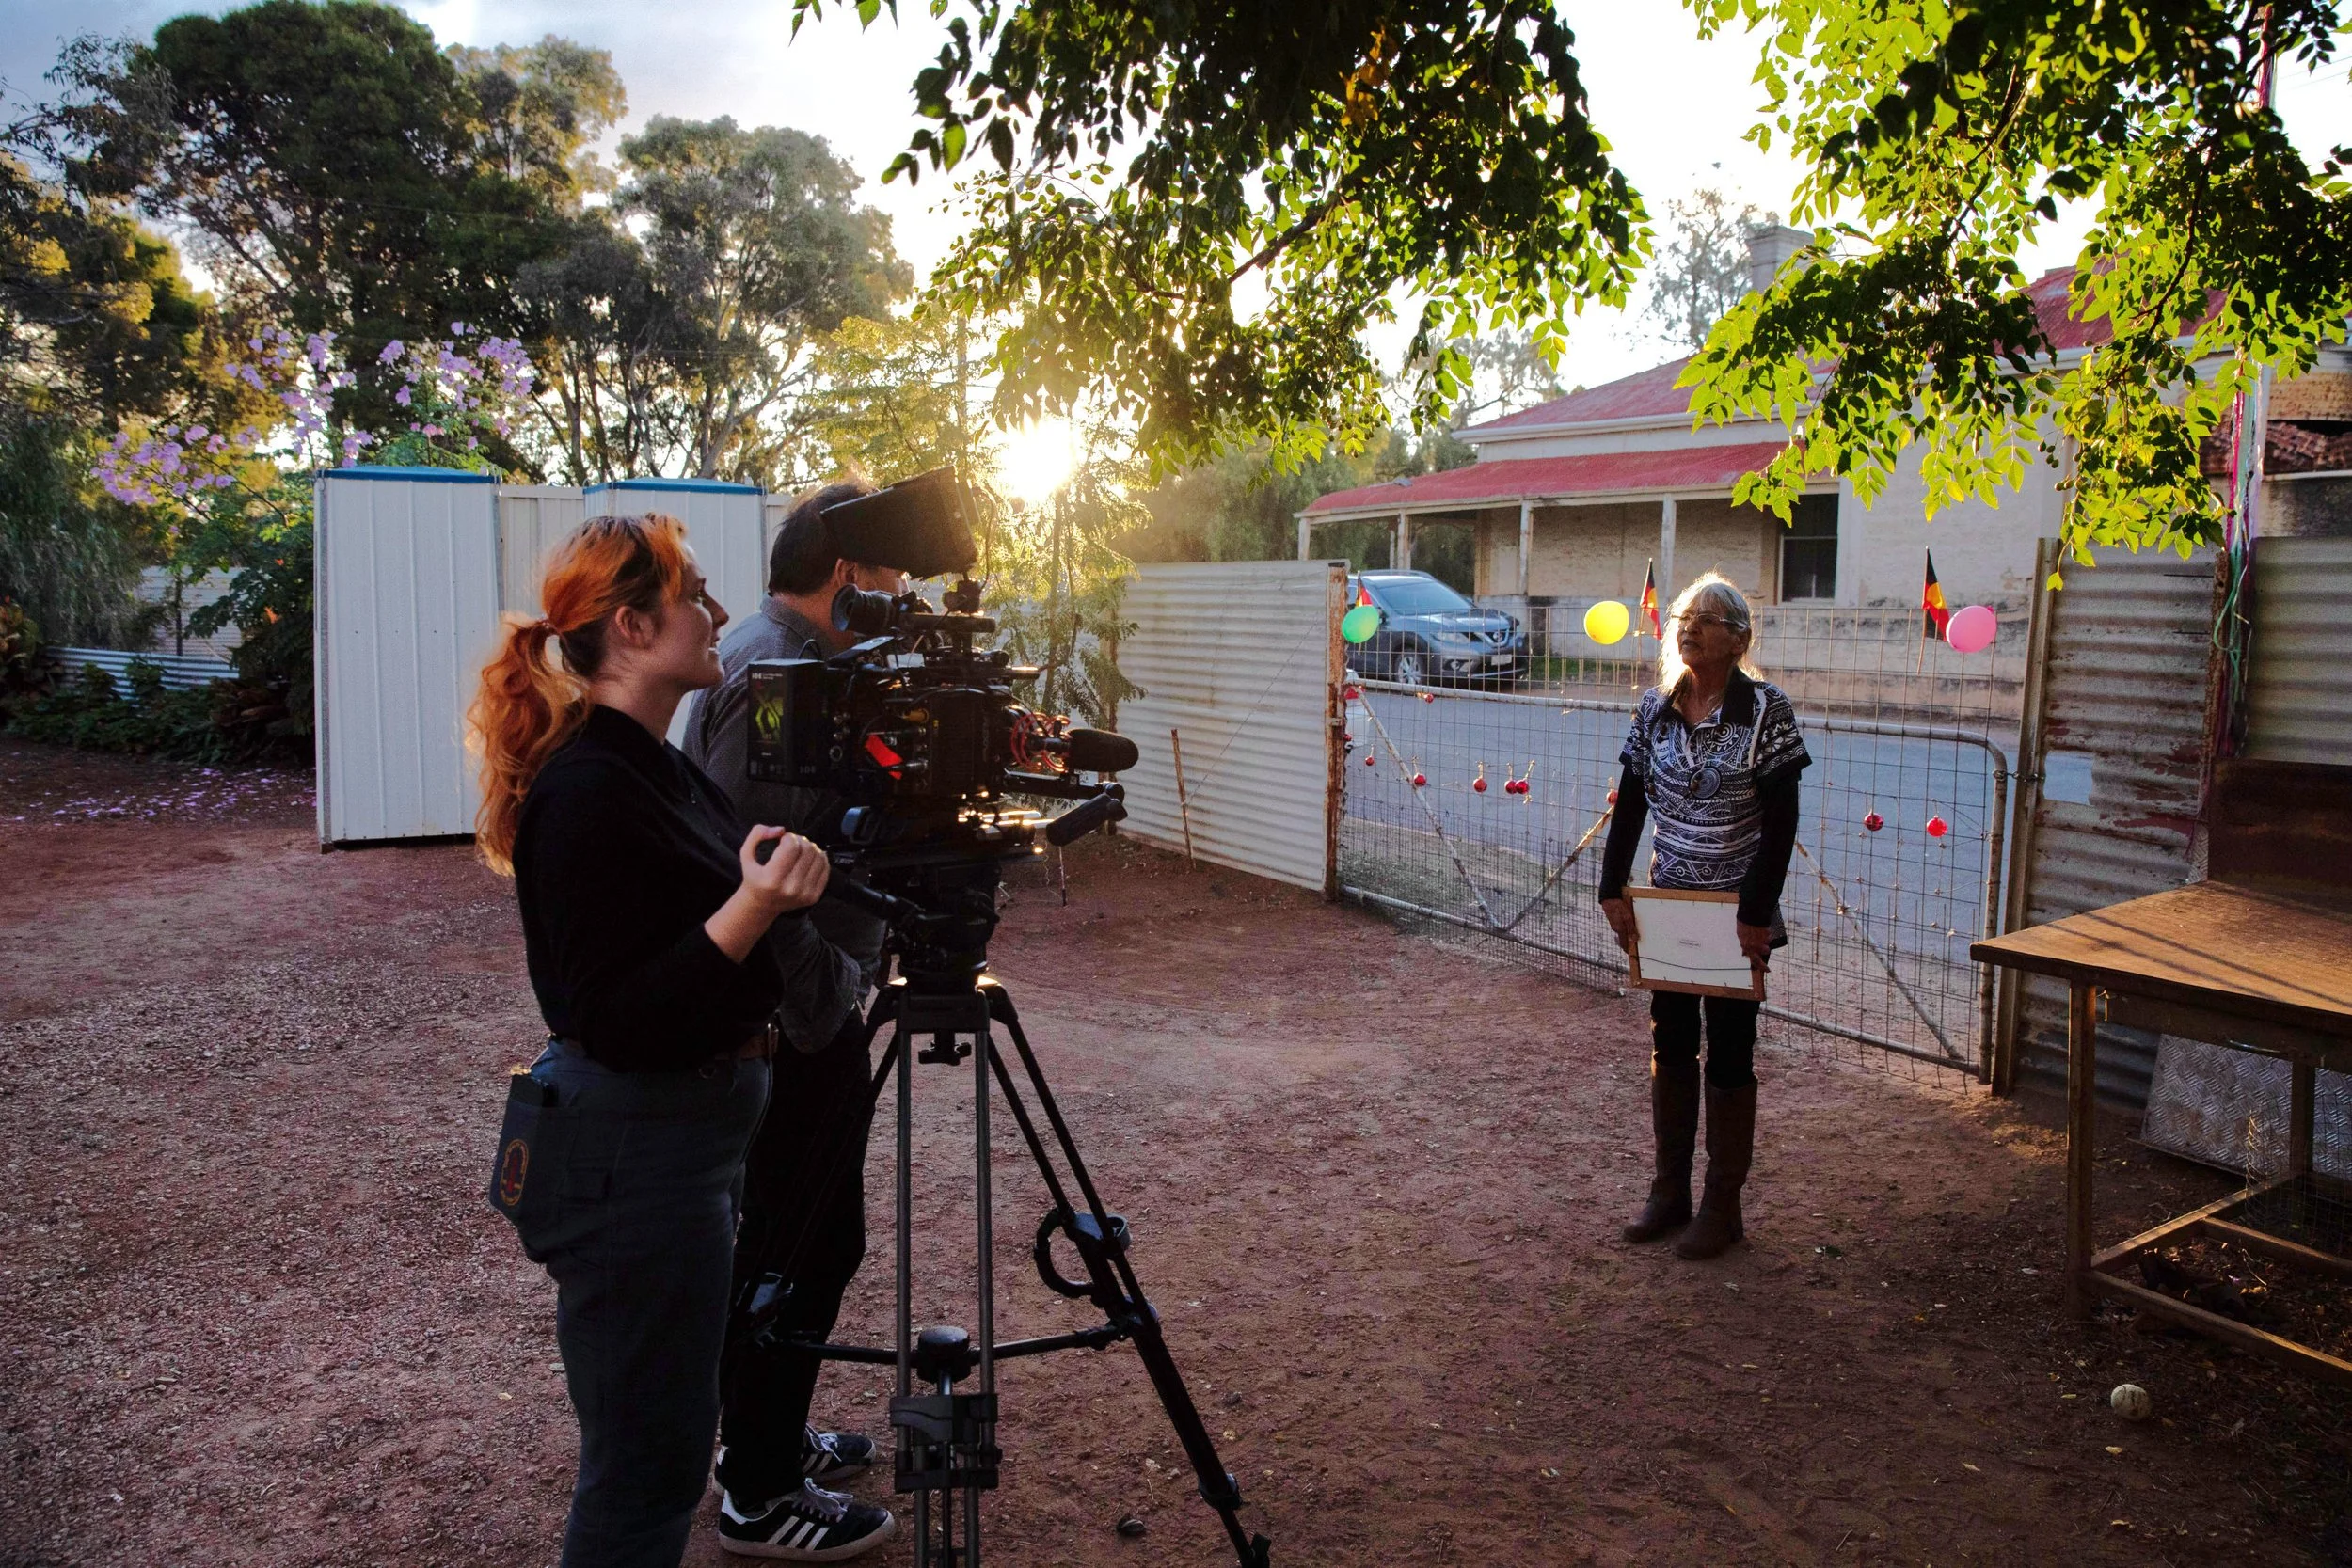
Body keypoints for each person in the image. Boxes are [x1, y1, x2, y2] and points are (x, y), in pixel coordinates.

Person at [469, 513, 865, 1568]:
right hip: (628, 1161)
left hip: (679, 1152)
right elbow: (611, 1018)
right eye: (695, 594)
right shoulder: (586, 787)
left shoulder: (650, 764)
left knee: (668, 1442)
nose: (719, 614)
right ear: (637, 626)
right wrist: (753, 908)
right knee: (645, 1470)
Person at [680, 479, 905, 1561]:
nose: (905, 588)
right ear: (848, 569)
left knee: (788, 1228)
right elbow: (742, 856)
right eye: (893, 567)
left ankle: (762, 1440)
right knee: (802, 1234)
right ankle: (757, 1489)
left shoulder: (774, 654)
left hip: (787, 1002)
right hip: (787, 1011)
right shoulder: (787, 668)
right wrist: (823, 995)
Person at [1597, 572, 1809, 1260]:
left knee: (1731, 1045)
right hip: (1666, 907)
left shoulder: (1765, 711)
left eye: (1708, 618)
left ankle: (1722, 1205)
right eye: (1685, 616)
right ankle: (1669, 1192)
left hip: (1736, 913)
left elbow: (1782, 821)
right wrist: (1612, 888)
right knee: (1671, 1037)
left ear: (1740, 639)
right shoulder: (1656, 706)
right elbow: (1630, 802)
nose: (1689, 626)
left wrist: (1754, 911)